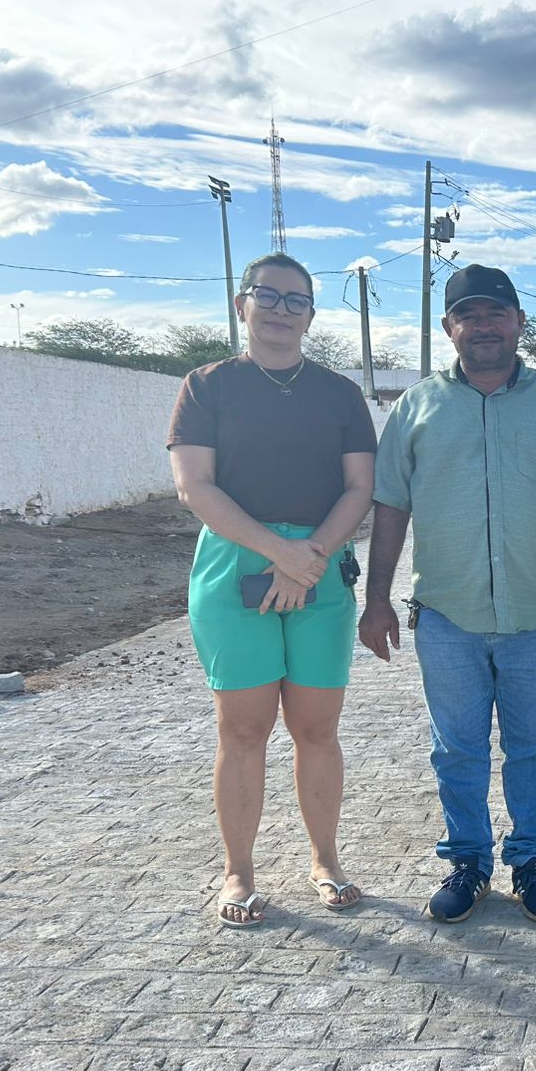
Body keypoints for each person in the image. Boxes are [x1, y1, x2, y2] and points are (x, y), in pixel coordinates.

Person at [359, 264, 536, 925]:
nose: (484, 326)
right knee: (457, 751)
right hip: (448, 616)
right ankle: (468, 863)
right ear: (449, 327)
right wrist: (377, 598)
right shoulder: (416, 408)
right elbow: (391, 507)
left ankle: (531, 862)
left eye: (496, 312)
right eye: (468, 315)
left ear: (519, 322)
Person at [167, 252, 377, 928]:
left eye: (297, 300)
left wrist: (306, 557)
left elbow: (359, 488)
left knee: (317, 728)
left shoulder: (339, 395)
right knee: (243, 728)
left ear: (311, 315)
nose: (282, 310)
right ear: (243, 305)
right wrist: (277, 552)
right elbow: (194, 485)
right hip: (236, 565)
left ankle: (325, 859)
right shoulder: (207, 387)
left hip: (321, 563)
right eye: (269, 296)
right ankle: (239, 871)